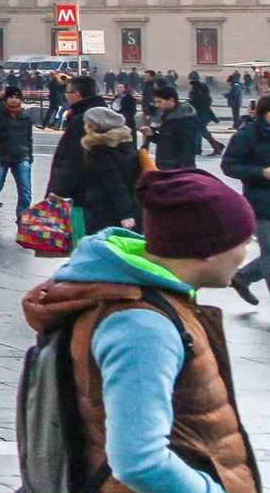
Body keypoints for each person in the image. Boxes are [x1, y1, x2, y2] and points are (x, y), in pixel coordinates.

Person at [22, 169, 259, 493]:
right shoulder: (144, 326)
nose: (245, 254)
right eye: (242, 242)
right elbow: (139, 460)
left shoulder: (146, 300)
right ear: (208, 248)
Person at [223, 94, 270, 303]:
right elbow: (229, 165)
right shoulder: (248, 134)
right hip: (261, 202)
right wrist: (261, 172)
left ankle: (242, 277)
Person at [71, 106, 145, 236]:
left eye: (87, 124)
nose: (84, 127)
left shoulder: (100, 150)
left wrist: (125, 214)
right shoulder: (126, 145)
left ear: (94, 127)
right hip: (130, 207)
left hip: (106, 211)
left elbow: (115, 182)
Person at [0, 85, 37, 225]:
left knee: (25, 190)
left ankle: (22, 219)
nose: (14, 100)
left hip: (21, 156)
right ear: (6, 98)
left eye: (17, 97)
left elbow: (28, 137)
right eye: (11, 97)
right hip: (0, 157)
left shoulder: (25, 115)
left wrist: (29, 155)